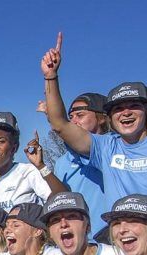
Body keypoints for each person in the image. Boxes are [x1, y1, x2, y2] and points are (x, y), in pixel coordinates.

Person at [39, 33, 147, 252]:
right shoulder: (106, 147)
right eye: (118, 109)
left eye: (134, 106)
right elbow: (59, 123)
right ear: (110, 117)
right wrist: (51, 77)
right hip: (126, 252)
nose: (126, 113)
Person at [45, 92, 110, 228]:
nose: (73, 121)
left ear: (102, 118)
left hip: (111, 237)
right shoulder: (62, 161)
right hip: (79, 240)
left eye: (80, 115)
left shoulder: (113, 150)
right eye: (70, 117)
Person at [0, 111, 61, 209]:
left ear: (14, 147)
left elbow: (62, 200)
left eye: (1, 141)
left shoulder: (28, 172)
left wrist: (41, 166)